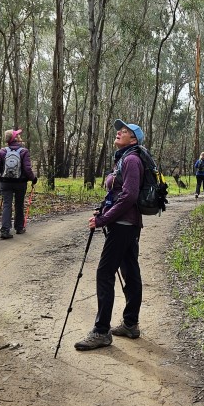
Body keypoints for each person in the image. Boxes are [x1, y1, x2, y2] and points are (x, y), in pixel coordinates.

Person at [75, 119, 145, 350]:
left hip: (124, 225)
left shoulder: (132, 160)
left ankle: (101, 331)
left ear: (133, 140)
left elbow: (130, 196)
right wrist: (104, 210)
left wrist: (104, 218)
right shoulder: (124, 158)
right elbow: (119, 194)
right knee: (129, 270)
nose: (119, 133)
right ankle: (130, 324)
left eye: (124, 132)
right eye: (119, 130)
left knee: (105, 273)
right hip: (125, 223)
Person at [0, 129, 38, 239]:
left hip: (5, 183)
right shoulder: (24, 151)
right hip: (20, 183)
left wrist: (2, 173)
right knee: (19, 204)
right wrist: (33, 178)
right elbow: (27, 169)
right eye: (18, 135)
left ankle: (5, 230)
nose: (20, 136)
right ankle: (19, 227)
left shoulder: (3, 151)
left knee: (7, 205)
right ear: (15, 138)